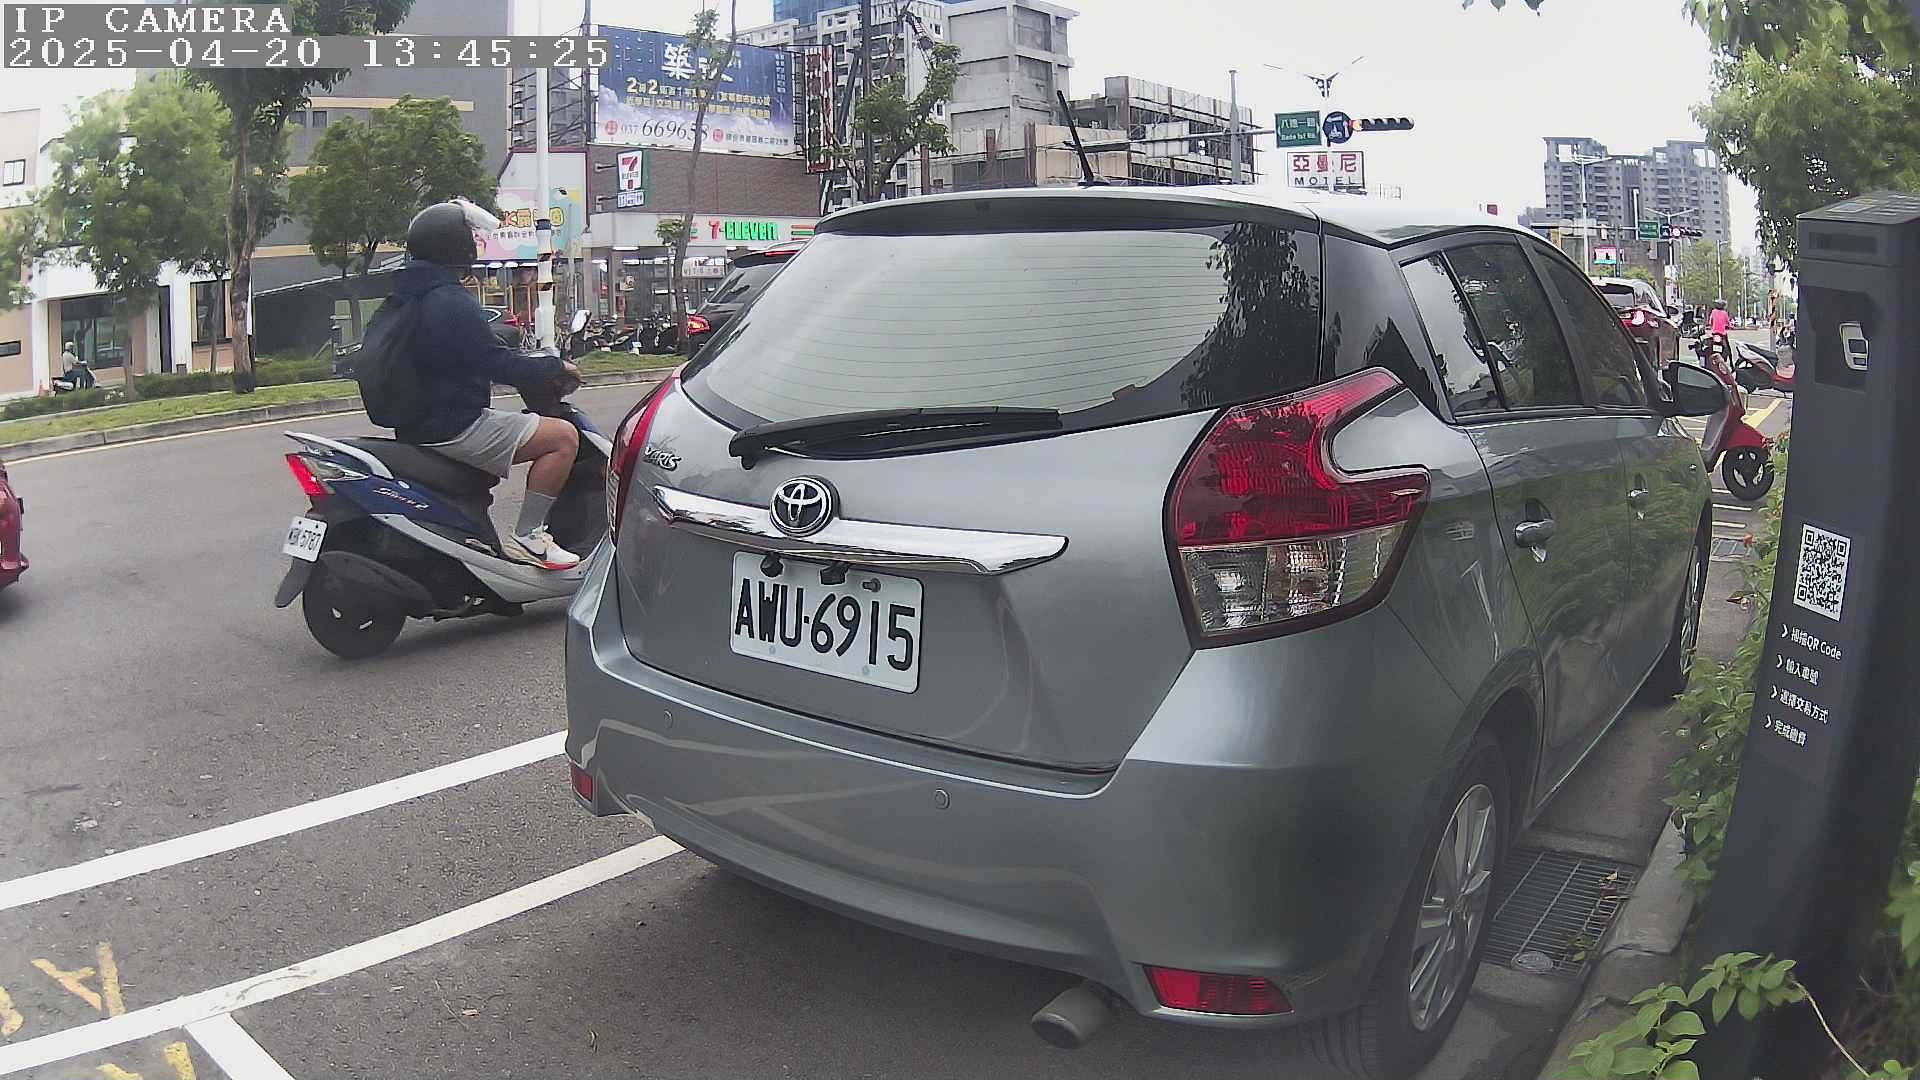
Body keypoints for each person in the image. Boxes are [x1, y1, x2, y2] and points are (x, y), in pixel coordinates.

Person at [388, 200, 585, 570]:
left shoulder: (411, 294)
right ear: (457, 247)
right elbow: (498, 364)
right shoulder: (451, 300)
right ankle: (529, 536)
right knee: (563, 438)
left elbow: (465, 347)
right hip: (454, 425)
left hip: (420, 421)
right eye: (471, 238)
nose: (476, 243)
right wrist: (556, 365)